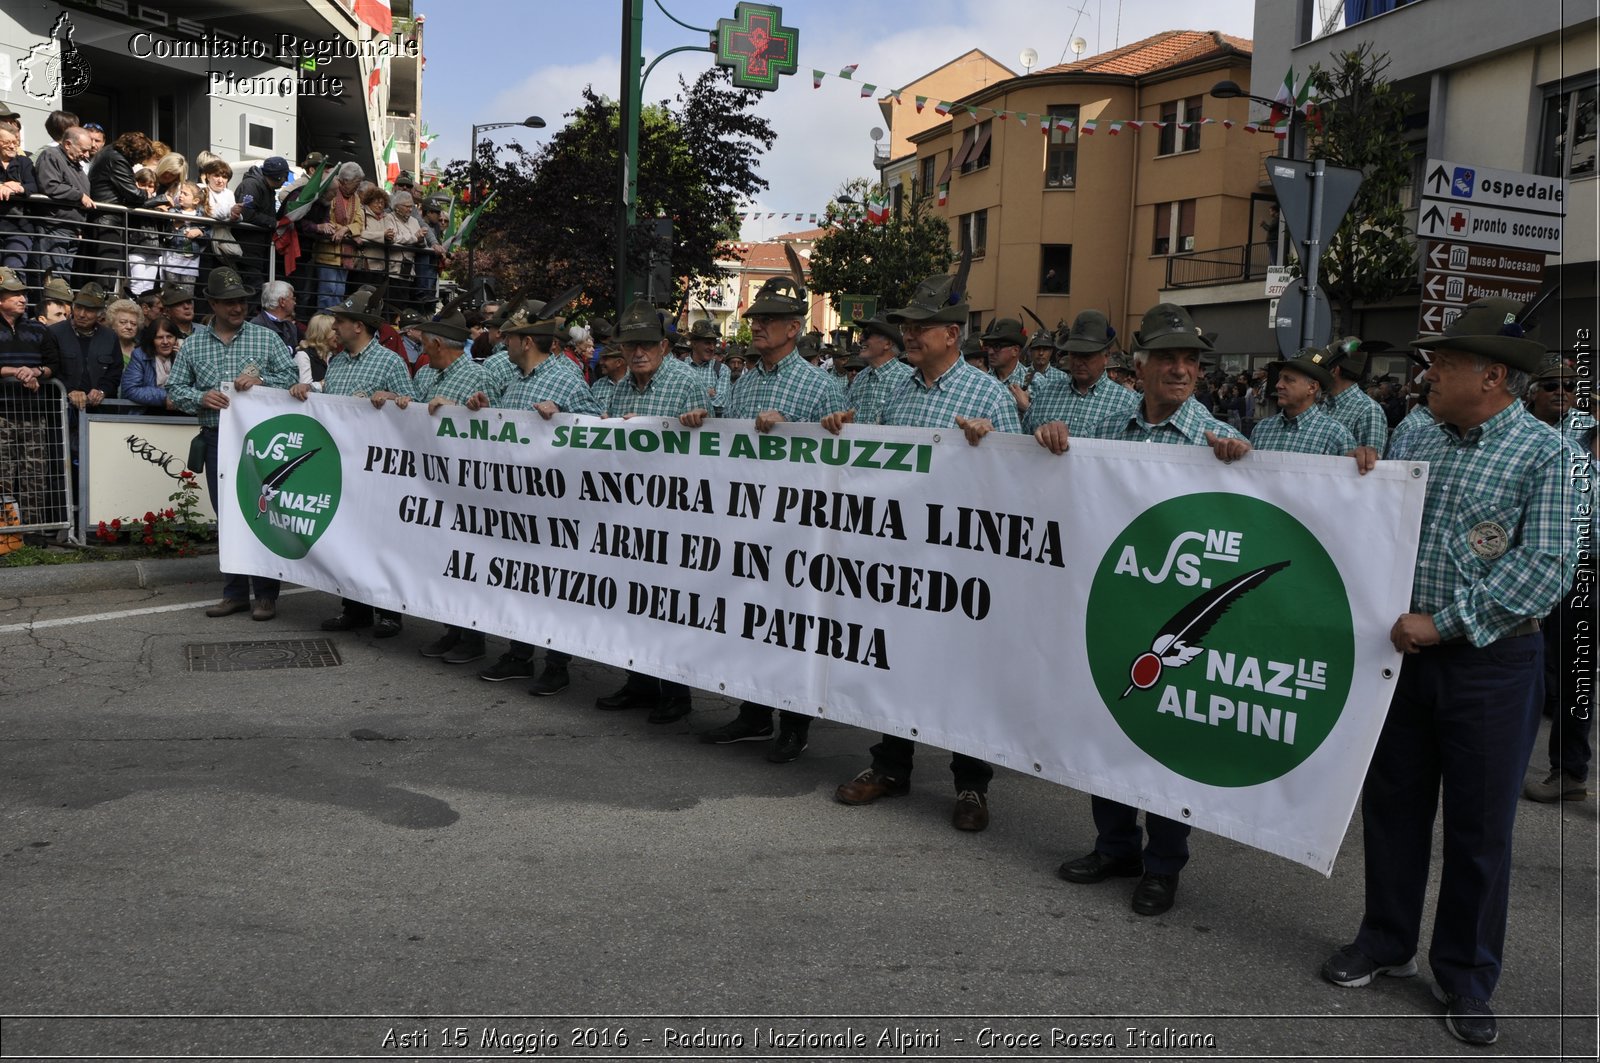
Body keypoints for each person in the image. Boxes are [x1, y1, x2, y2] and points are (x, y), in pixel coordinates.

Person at [1324, 299, 1575, 1048]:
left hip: (1491, 663)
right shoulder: (1415, 431)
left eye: (1445, 364)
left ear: (1492, 376)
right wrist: (1364, 479)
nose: (1427, 375)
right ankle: (1386, 938)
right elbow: (1386, 523)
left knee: (1478, 828)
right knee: (1395, 806)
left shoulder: (1549, 453)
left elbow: (1548, 564)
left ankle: (1466, 974)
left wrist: (1447, 621)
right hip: (1404, 657)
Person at [1035, 302, 1250, 916]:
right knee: (1108, 725)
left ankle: (1163, 865)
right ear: (1144, 365)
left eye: (1190, 360)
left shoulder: (1217, 438)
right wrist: (1046, 441)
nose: (1181, 370)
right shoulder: (1117, 430)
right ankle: (1115, 845)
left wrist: (1239, 462)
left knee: (1163, 740)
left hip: (1175, 620)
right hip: (1116, 602)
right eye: (1169, 359)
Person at [821, 264, 1020, 833]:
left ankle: (971, 784)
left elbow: (1014, 487)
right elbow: (869, 463)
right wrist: (842, 426)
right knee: (899, 660)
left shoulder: (988, 394)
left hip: (960, 561)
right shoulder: (894, 391)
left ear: (952, 334)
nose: (910, 334)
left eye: (922, 326)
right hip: (900, 556)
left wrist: (994, 443)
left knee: (962, 669)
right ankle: (891, 766)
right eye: (907, 326)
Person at [694, 272, 846, 760]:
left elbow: (842, 449)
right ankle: (754, 712)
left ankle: (795, 723)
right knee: (752, 617)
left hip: (799, 526)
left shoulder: (818, 385)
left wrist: (796, 429)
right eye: (756, 319)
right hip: (748, 521)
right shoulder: (744, 381)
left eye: (768, 320)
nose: (756, 327)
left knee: (792, 624)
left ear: (793, 330)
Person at [468, 299, 602, 694]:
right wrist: (485, 410)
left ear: (527, 342)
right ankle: (520, 653)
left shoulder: (563, 378)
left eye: (509, 337)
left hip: (556, 505)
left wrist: (563, 412)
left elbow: (596, 423)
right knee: (521, 581)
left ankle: (556, 663)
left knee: (552, 584)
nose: (503, 342)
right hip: (517, 503)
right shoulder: (515, 381)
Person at [593, 297, 712, 722]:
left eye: (646, 344)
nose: (637, 352)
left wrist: (703, 420)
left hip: (674, 514)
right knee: (632, 600)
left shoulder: (687, 382)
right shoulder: (622, 386)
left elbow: (720, 448)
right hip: (628, 514)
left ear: (664, 346)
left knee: (668, 604)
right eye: (629, 345)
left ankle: (676, 693)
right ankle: (639, 682)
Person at [165, 267, 298, 620]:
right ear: (212, 304)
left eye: (240, 300)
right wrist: (200, 397)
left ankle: (266, 594)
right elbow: (175, 390)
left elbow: (292, 378)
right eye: (228, 302)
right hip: (216, 440)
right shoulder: (193, 344)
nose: (237, 307)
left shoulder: (266, 339)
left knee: (261, 513)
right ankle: (236, 592)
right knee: (228, 517)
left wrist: (262, 378)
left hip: (259, 442)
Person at [295, 286, 415, 639]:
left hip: (378, 469)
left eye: (340, 322)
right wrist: (309, 392)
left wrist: (394, 397)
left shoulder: (390, 362)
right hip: (343, 465)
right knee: (347, 538)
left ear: (359, 326)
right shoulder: (339, 362)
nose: (334, 329)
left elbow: (414, 409)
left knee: (380, 540)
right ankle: (355, 607)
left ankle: (389, 612)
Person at [1522, 360, 1594, 803]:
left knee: (1575, 673)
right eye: (1551, 385)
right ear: (1532, 391)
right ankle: (1502, 756)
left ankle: (1569, 771)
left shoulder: (1588, 429)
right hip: (1527, 564)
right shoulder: (1517, 433)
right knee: (1526, 668)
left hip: (1584, 566)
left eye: (1570, 386)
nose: (1561, 392)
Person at [405, 306, 491, 663]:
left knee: (465, 562)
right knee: (441, 558)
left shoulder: (477, 377)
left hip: (465, 487)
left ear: (439, 344)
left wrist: (458, 410)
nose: (423, 351)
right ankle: (451, 629)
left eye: (426, 345)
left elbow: (494, 424)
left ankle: (473, 636)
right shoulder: (426, 375)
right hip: (431, 485)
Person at [1021, 309, 1138, 434]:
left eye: (1086, 355)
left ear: (1106, 357)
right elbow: (1023, 440)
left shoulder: (1127, 403)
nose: (1077, 362)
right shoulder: (1045, 394)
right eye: (1073, 354)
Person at [1250, 349, 1365, 458]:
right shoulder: (1262, 429)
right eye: (1279, 378)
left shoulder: (1336, 434)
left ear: (1312, 387)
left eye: (1288, 379)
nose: (1278, 385)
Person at [86, 131, 156, 285]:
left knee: (104, 267)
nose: (138, 163)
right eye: (139, 159)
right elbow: (133, 193)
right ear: (134, 153)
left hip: (104, 218)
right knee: (107, 269)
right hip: (108, 220)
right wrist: (150, 196)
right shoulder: (117, 159)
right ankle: (103, 301)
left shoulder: (109, 154)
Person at [42, 281, 121, 412]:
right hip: (64, 411)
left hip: (100, 411)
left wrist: (102, 390)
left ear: (100, 313)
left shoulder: (110, 337)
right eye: (78, 307)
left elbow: (115, 371)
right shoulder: (54, 333)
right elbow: (52, 368)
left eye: (89, 310)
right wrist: (69, 390)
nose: (82, 314)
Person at [33, 126, 94, 284]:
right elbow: (50, 186)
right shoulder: (51, 155)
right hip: (55, 227)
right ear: (68, 144)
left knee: (64, 278)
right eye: (83, 150)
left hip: (72, 229)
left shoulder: (75, 163)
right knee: (54, 278)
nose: (86, 155)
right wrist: (79, 195)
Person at [302, 162, 364, 309]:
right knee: (327, 292)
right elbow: (328, 221)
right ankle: (324, 325)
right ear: (345, 181)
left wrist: (345, 229)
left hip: (346, 255)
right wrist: (348, 230)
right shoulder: (332, 192)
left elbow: (360, 222)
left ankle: (334, 324)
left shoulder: (356, 198)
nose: (358, 187)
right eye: (356, 183)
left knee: (339, 293)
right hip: (328, 253)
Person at [839, 311, 909, 428]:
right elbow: (845, 418)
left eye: (867, 333)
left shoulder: (909, 380)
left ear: (887, 343)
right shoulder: (859, 379)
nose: (861, 338)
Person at [1322, 337, 1390, 451]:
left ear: (1334, 371)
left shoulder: (1369, 411)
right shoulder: (1325, 404)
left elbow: (1370, 464)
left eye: (1322, 367)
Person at [234, 156, 288, 295]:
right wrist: (273, 222)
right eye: (285, 176)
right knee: (254, 290)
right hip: (248, 250)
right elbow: (246, 213)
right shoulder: (252, 185)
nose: (286, 180)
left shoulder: (264, 187)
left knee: (257, 289)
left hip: (257, 250)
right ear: (278, 177)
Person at [120, 315, 182, 410]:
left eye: (169, 337)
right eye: (159, 337)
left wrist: (182, 359)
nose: (165, 342)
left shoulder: (185, 354)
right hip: (147, 412)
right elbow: (130, 389)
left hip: (183, 412)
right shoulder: (140, 355)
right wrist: (165, 397)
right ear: (152, 340)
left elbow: (198, 388)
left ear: (176, 339)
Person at [0, 124, 36, 273]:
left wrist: (20, 188)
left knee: (14, 268)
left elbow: (34, 186)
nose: (12, 146)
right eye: (7, 142)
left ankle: (17, 297)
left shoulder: (24, 162)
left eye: (15, 142)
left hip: (19, 227)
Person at [160, 181, 207, 286]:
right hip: (173, 258)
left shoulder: (202, 215)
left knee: (188, 291)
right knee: (172, 291)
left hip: (191, 260)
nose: (181, 195)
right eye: (181, 192)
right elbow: (165, 232)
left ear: (196, 201)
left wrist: (200, 232)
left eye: (185, 194)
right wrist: (173, 226)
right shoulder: (173, 211)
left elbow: (208, 233)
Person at [685, 318, 728, 415]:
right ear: (694, 343)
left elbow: (721, 404)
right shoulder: (679, 367)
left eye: (714, 343)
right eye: (707, 343)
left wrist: (688, 397)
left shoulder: (722, 369)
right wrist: (707, 392)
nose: (712, 348)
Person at [250, 280, 302, 358]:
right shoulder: (256, 327)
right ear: (282, 302)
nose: (295, 303)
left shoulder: (291, 327)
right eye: (292, 299)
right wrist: (291, 349)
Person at [297, 312, 337, 385]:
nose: (338, 336)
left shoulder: (334, 357)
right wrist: (327, 384)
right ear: (324, 334)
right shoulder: (303, 355)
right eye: (335, 332)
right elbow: (304, 388)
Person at [104, 296, 142, 369]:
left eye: (133, 323)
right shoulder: (103, 348)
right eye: (123, 322)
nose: (129, 327)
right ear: (112, 324)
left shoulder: (143, 350)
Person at [588, 343, 627, 410]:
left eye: (605, 359)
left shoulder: (635, 383)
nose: (600, 362)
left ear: (619, 362)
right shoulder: (598, 385)